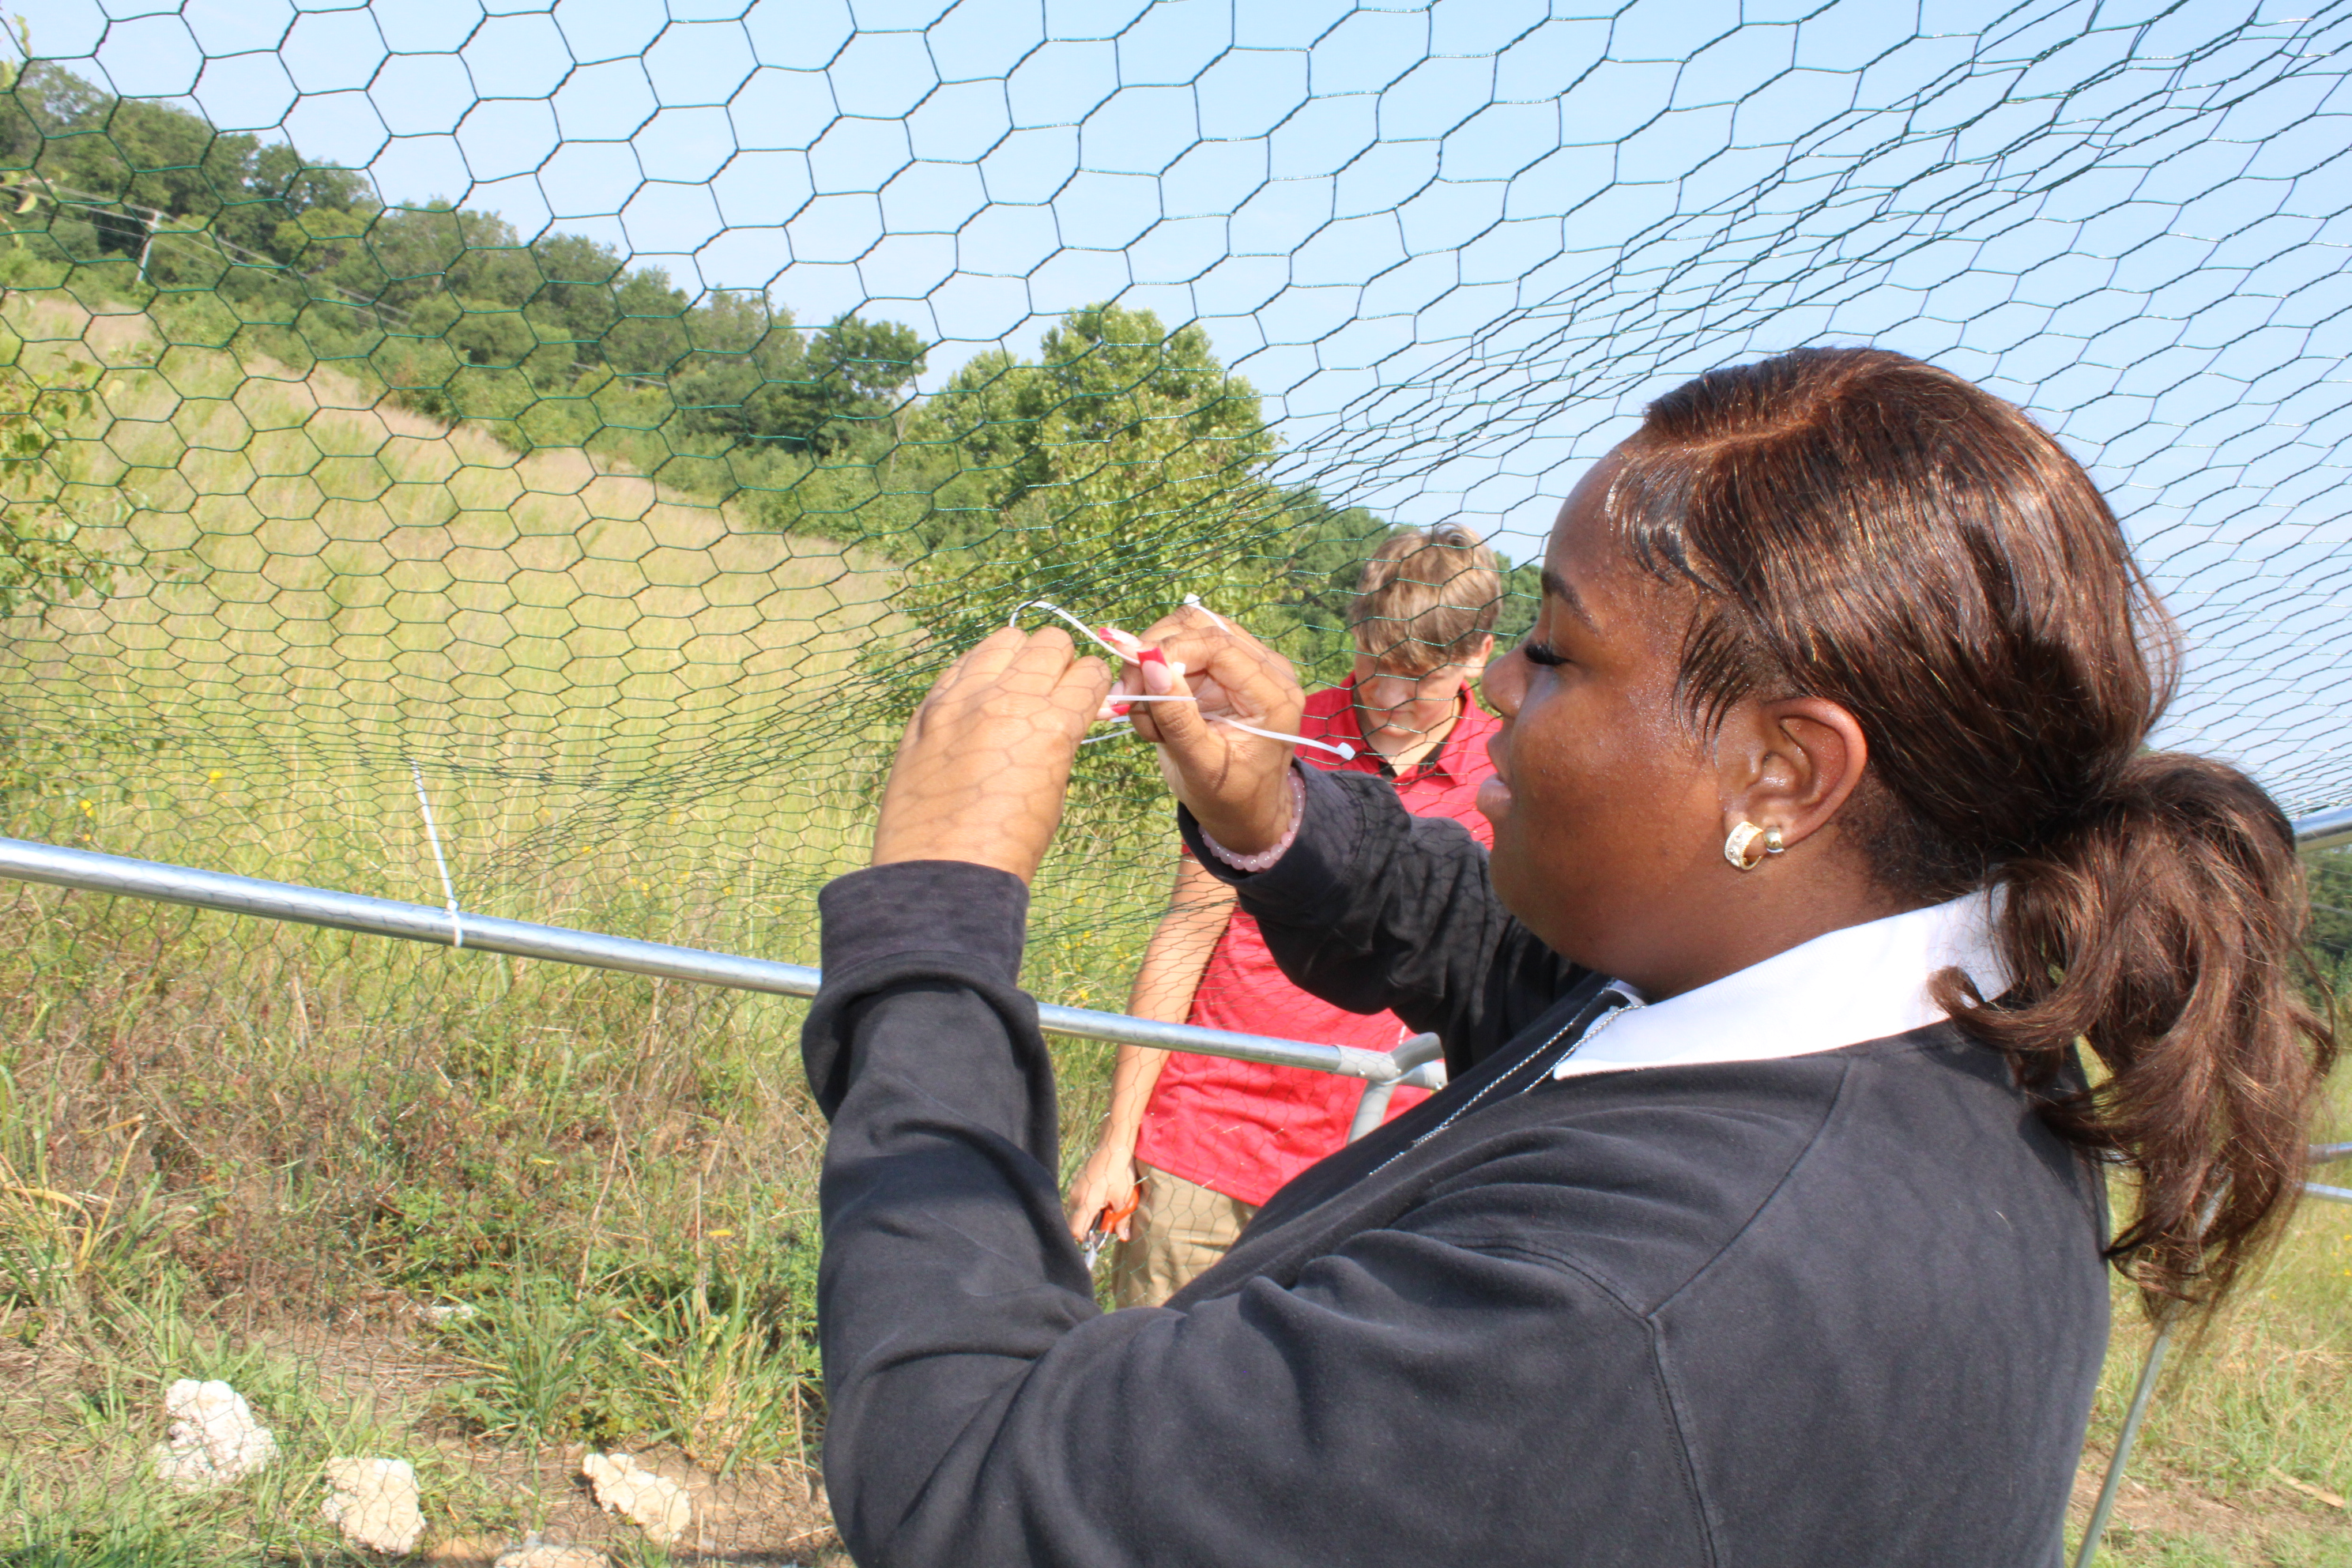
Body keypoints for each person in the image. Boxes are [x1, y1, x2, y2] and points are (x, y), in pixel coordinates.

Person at [802, 348, 2335, 1566]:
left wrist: (935, 913)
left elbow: (974, 1476)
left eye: (1558, 647)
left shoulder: (1637, 1305)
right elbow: (1494, 962)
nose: (1504, 703)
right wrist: (1269, 803)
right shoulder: (1893, 1032)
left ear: (1784, 773)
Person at [1063, 525, 1503, 1306]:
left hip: (1375, 1169)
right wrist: (1116, 1141)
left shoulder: (1508, 774)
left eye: (1421, 678)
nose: (1392, 700)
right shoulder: (1275, 731)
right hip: (1205, 1140)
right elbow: (1188, 928)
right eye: (1375, 666)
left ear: (1479, 655)